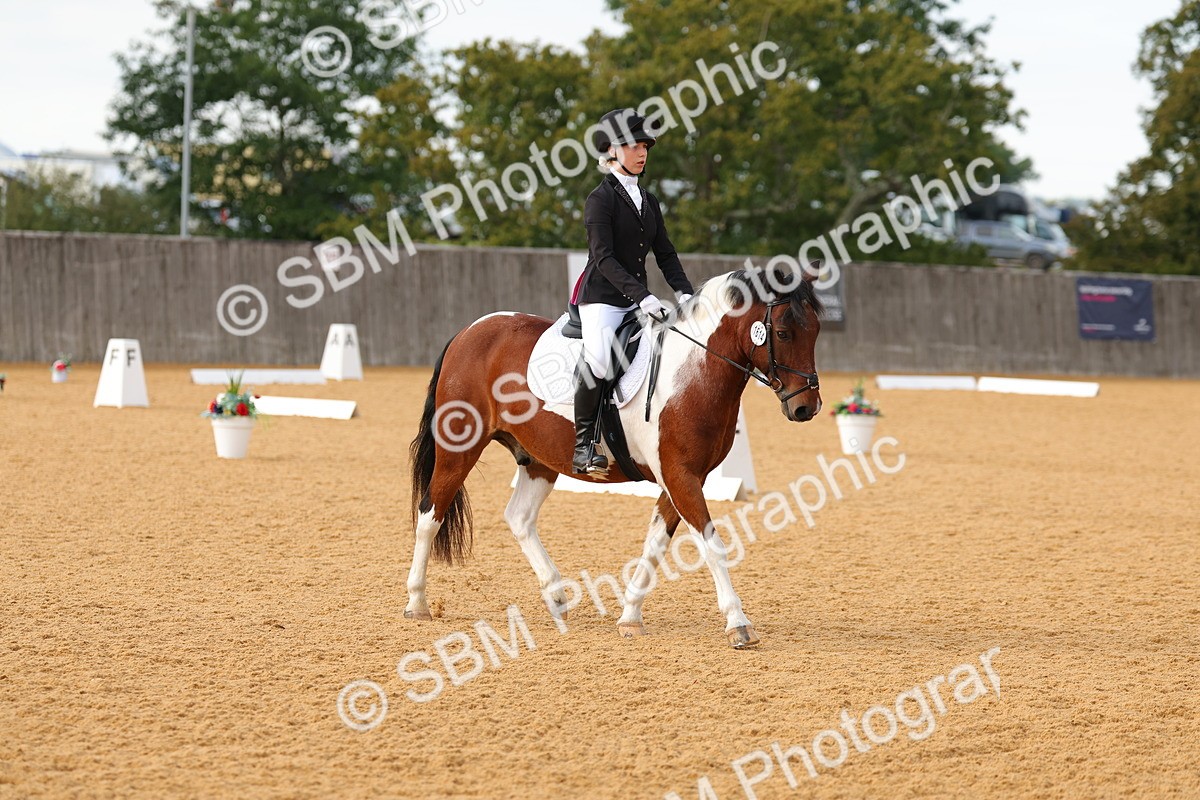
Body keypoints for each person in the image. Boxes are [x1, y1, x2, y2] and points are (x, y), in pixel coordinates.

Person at [571, 108, 695, 475]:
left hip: (636, 301)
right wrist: (643, 295)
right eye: (632, 145)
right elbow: (604, 258)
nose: (641, 152)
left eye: (645, 145)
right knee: (599, 359)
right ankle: (583, 445)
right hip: (602, 300)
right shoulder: (600, 199)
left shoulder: (649, 201)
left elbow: (666, 254)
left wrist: (686, 293)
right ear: (611, 150)